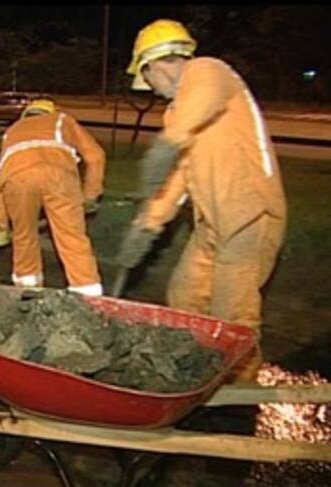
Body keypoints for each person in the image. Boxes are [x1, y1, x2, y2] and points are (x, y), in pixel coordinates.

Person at [115, 19, 287, 380]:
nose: (153, 89)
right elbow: (179, 177)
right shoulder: (178, 113)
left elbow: (197, 107)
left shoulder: (209, 71)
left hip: (251, 216)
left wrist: (166, 144)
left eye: (148, 78)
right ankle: (195, 371)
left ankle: (240, 391)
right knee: (185, 297)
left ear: (154, 64)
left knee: (233, 317)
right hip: (212, 224)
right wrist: (147, 224)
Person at [0, 98, 106, 296]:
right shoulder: (62, 119)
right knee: (71, 236)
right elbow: (96, 157)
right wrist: (90, 196)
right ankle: (87, 292)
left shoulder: (12, 130)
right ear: (50, 111)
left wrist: (1, 226)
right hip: (57, 175)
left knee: (23, 235)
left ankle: (28, 291)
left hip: (16, 180)